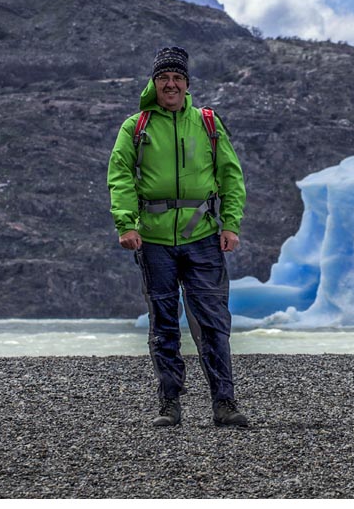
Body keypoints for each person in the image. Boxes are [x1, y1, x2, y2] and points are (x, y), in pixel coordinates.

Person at [107, 46, 249, 428]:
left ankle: (224, 402)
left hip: (202, 236)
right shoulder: (135, 127)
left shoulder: (207, 123)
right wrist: (127, 224)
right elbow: (120, 177)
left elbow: (231, 176)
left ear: (187, 85)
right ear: (154, 83)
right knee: (164, 323)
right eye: (164, 78)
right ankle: (169, 403)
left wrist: (231, 224)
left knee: (213, 322)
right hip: (153, 241)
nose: (171, 84)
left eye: (177, 78)